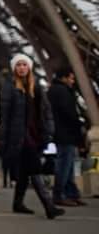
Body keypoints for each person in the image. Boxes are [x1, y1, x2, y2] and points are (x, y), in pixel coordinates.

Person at [0, 54, 64, 219]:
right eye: (18, 65)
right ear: (14, 68)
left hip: (35, 135)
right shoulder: (9, 87)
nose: (21, 68)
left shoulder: (37, 88)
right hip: (20, 135)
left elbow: (46, 111)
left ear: (29, 67)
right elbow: (4, 116)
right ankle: (49, 206)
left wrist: (49, 130)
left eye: (24, 64)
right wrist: (2, 139)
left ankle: (17, 203)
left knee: (25, 170)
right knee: (34, 167)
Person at [47, 67, 86, 207]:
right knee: (65, 165)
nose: (73, 81)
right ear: (64, 78)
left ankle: (71, 194)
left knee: (68, 165)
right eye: (71, 78)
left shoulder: (54, 90)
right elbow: (69, 113)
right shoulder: (63, 91)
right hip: (66, 132)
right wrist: (79, 125)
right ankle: (59, 195)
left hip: (61, 132)